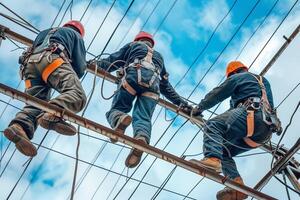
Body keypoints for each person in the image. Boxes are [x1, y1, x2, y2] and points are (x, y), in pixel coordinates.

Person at [95, 31, 191, 168]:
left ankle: (119, 119)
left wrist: (91, 64)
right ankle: (141, 138)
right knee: (143, 117)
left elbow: (112, 61)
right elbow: (166, 86)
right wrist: (182, 103)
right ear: (151, 43)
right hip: (153, 86)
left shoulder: (133, 46)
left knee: (117, 109)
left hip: (132, 79)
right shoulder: (159, 57)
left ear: (137, 40)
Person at [190, 61, 281, 200]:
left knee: (213, 125)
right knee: (223, 150)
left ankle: (212, 159)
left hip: (252, 115)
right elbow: (234, 115)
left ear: (232, 74)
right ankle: (237, 186)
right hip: (265, 131)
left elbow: (217, 94)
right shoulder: (263, 81)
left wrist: (199, 108)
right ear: (245, 68)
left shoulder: (238, 77)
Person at [3, 20, 87, 157]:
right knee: (77, 95)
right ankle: (52, 114)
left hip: (30, 67)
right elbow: (80, 67)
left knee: (36, 103)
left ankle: (19, 127)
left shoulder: (45, 32)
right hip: (51, 61)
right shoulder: (74, 34)